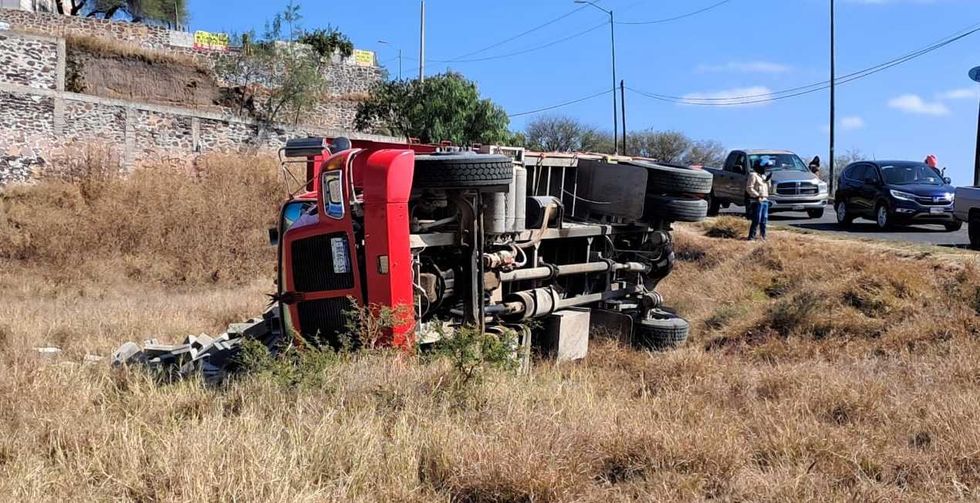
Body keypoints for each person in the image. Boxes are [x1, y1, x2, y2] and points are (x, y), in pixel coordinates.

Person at [746, 159, 770, 241]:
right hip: (757, 200)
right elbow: (749, 188)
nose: (766, 169)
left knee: (764, 220)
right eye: (764, 167)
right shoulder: (753, 175)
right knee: (757, 219)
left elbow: (768, 188)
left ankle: (763, 237)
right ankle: (751, 237)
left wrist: (767, 180)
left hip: (765, 200)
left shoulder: (763, 176)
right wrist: (757, 196)